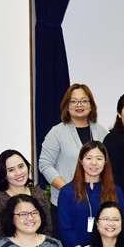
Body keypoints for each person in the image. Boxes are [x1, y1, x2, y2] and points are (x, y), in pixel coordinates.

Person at [39, 83, 109, 212]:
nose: (79, 105)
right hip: (66, 201)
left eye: (84, 101)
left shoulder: (101, 132)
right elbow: (45, 165)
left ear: (91, 106)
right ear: (66, 106)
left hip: (97, 201)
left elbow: (108, 164)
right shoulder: (57, 132)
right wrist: (68, 190)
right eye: (74, 101)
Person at [0, 150, 52, 244]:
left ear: (27, 166)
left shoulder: (39, 194)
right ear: (3, 174)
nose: (18, 173)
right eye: (11, 170)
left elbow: (47, 229)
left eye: (21, 166)